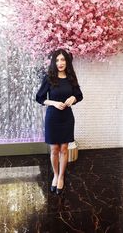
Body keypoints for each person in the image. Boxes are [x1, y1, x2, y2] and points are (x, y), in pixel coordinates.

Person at [36, 49, 83, 195]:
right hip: (52, 117)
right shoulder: (49, 78)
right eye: (57, 60)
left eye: (63, 60)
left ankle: (62, 176)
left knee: (64, 149)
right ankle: (55, 175)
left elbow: (79, 95)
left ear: (67, 62)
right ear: (53, 62)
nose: (60, 63)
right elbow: (39, 97)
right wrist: (54, 103)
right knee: (54, 150)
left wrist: (73, 99)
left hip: (67, 118)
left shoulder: (71, 78)